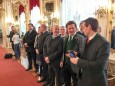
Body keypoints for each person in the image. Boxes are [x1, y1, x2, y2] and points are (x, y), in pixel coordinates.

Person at [70, 17, 110, 86]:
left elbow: (100, 66)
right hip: (83, 79)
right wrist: (78, 54)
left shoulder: (104, 43)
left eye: (83, 27)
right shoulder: (86, 39)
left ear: (89, 27)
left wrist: (78, 61)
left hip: (94, 81)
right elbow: (87, 55)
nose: (82, 30)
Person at [60, 21, 85, 86]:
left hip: (75, 65)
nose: (71, 30)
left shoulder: (81, 38)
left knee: (76, 83)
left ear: (76, 28)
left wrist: (74, 54)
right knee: (66, 82)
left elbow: (82, 52)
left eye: (72, 28)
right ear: (67, 29)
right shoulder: (65, 37)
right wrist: (62, 60)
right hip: (65, 64)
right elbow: (63, 51)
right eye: (69, 28)